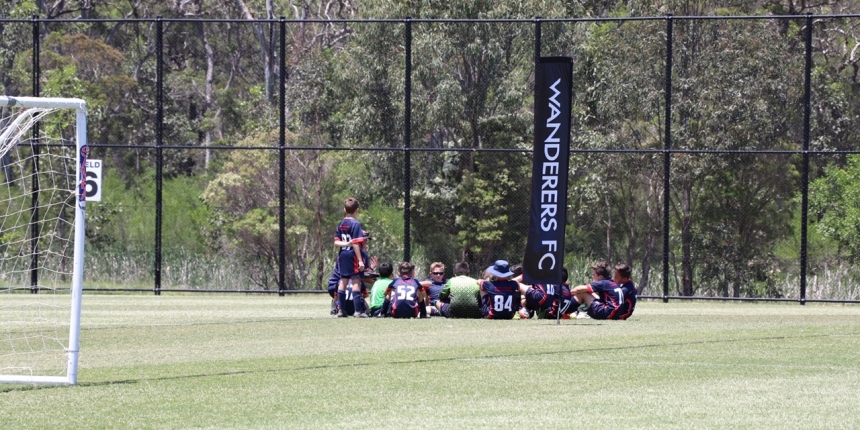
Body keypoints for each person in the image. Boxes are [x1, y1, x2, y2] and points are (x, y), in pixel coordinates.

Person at [333, 197, 367, 317]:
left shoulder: (341, 224)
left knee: (343, 281)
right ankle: (358, 311)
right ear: (357, 210)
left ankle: (341, 310)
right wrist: (360, 260)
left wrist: (346, 244)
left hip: (343, 255)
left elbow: (336, 242)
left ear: (344, 209)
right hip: (352, 256)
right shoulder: (356, 224)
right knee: (356, 280)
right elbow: (356, 243)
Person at [569, 262, 638, 320]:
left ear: (625, 279)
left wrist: (567, 294)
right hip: (618, 314)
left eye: (616, 277)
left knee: (583, 292)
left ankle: (566, 311)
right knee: (589, 292)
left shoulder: (626, 289)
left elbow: (577, 290)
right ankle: (580, 311)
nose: (614, 278)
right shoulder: (626, 285)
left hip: (620, 314)